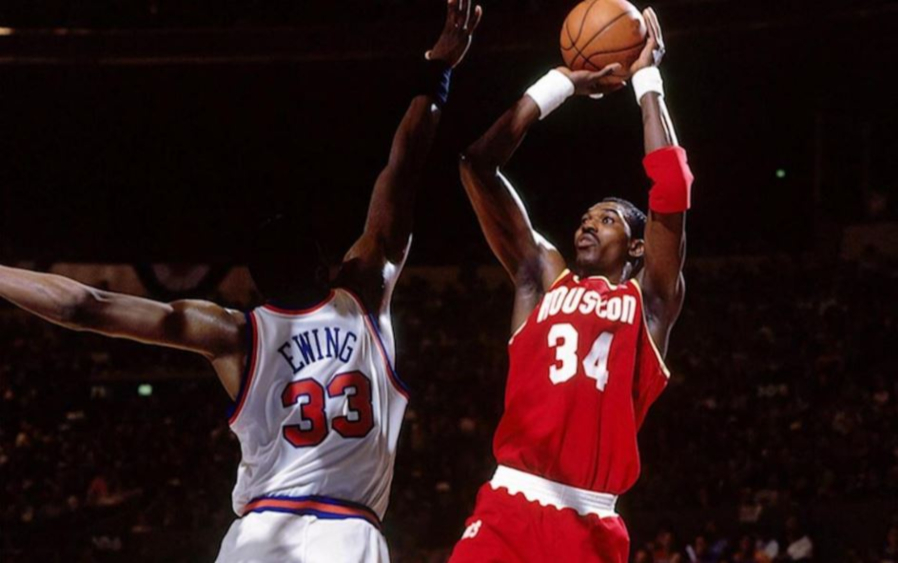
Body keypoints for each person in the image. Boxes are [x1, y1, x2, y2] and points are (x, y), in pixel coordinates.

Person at [0, 1, 482, 560]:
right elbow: (403, 167)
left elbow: (83, 306)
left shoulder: (236, 334)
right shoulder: (364, 292)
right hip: (347, 534)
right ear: (325, 265)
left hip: (258, 536)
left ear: (258, 285)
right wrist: (438, 70)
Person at [448, 7, 692, 563]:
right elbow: (476, 165)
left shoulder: (649, 303)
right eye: (585, 217)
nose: (588, 224)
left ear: (636, 248)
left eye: (607, 219)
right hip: (509, 503)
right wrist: (558, 84)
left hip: (590, 521)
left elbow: (673, 188)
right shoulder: (542, 280)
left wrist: (647, 82)